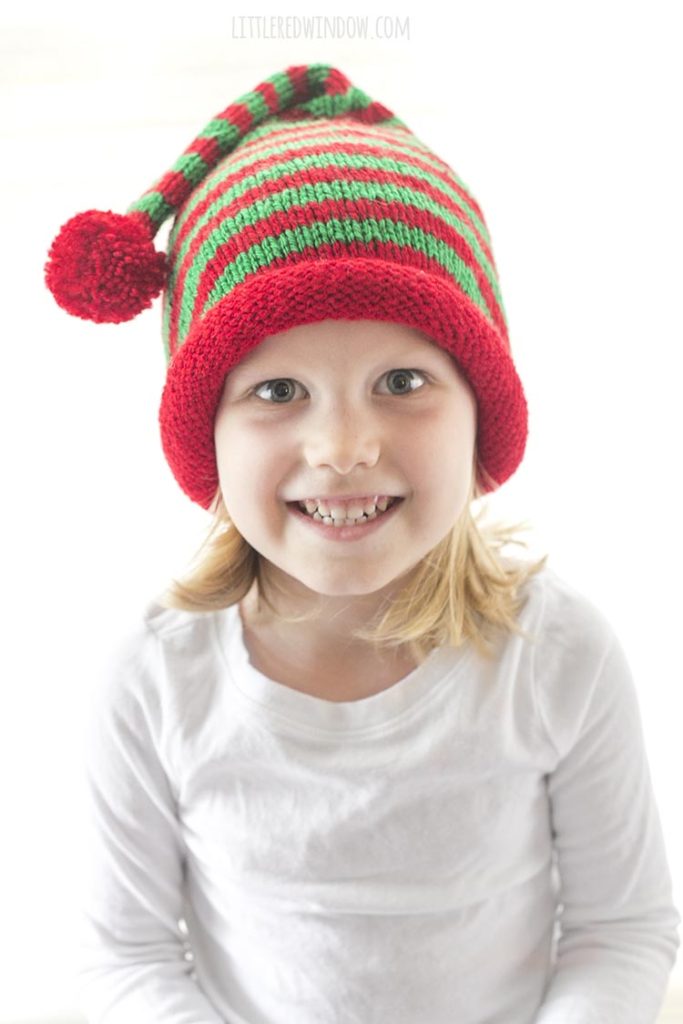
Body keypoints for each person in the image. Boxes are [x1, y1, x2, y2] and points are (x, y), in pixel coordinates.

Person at [44, 63, 680, 1024]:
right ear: (203, 433)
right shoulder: (152, 679)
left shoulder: (554, 650)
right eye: (276, 392)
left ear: (482, 415)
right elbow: (123, 957)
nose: (343, 447)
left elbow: (619, 929)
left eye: (401, 382)